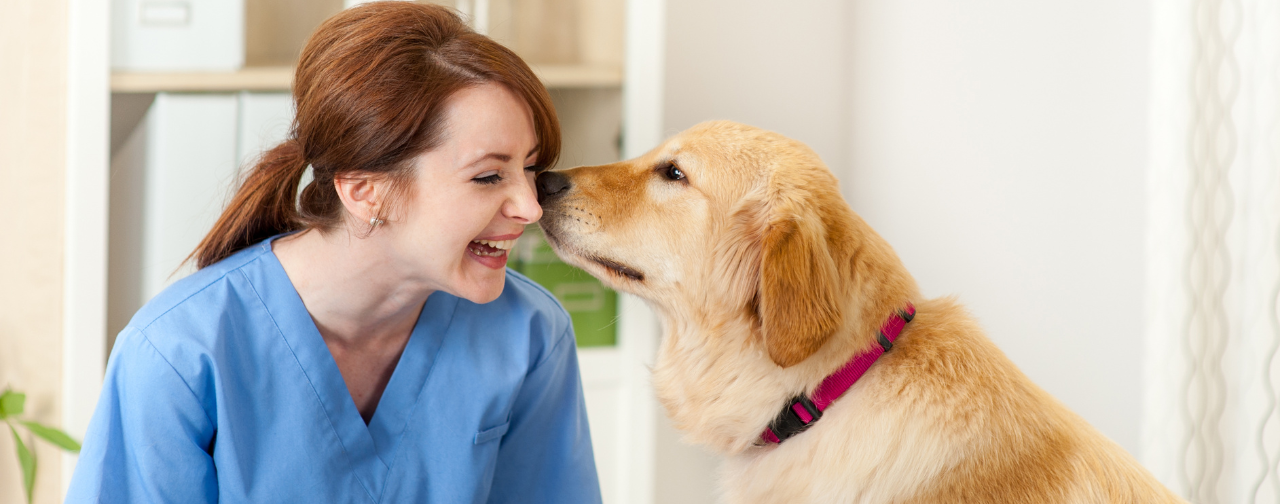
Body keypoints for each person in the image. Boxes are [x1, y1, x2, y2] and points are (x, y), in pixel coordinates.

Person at [66, 3, 601, 502]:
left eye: (529, 169)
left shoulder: (530, 334)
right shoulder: (178, 355)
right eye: (488, 176)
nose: (531, 208)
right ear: (365, 190)